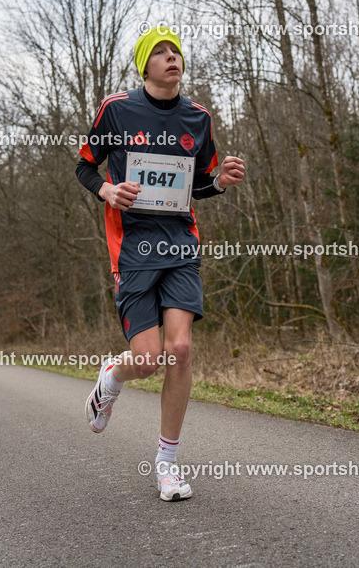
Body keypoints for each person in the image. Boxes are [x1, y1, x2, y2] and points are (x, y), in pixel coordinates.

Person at [76, 26, 245, 501]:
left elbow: (199, 185)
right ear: (144, 65)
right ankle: (111, 378)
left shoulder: (198, 118)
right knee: (147, 360)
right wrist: (107, 189)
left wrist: (223, 181)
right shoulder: (118, 109)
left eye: (176, 51)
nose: (172, 58)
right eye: (161, 52)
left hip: (180, 247)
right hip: (132, 249)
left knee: (182, 350)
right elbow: (85, 165)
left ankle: (167, 463)